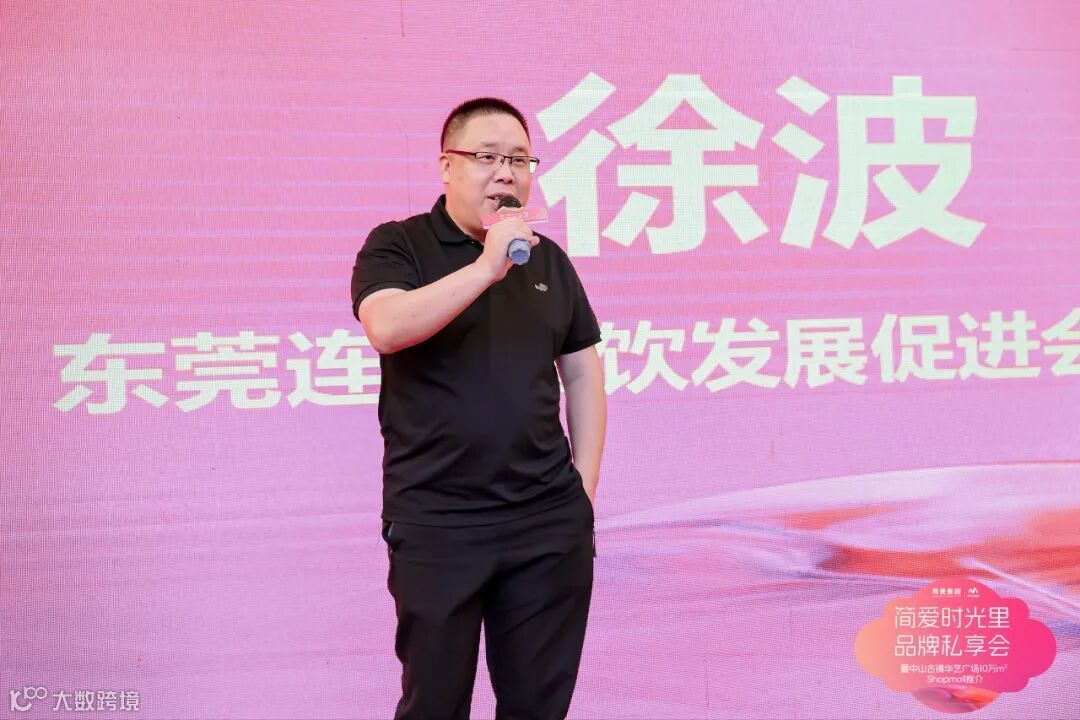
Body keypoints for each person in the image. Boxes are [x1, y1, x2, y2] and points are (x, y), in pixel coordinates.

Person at [350, 97, 607, 720]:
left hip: (546, 522)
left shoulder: (548, 260)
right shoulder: (398, 245)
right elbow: (386, 327)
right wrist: (488, 266)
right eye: (488, 157)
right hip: (439, 523)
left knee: (538, 706)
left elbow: (582, 373)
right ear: (447, 166)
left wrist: (582, 495)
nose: (506, 173)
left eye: (520, 160)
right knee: (434, 704)